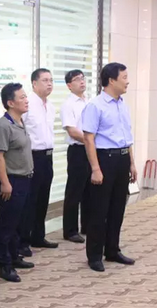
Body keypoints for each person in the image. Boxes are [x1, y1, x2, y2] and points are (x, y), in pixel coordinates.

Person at [81, 62, 137, 273]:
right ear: (111, 80)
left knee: (117, 208)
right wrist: (95, 169)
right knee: (99, 210)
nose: (127, 81)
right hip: (104, 159)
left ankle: (112, 250)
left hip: (122, 159)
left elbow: (127, 137)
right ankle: (94, 255)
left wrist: (132, 163)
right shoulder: (95, 105)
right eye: (124, 77)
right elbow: (89, 138)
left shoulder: (122, 104)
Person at [0, 83, 35, 282]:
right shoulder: (3, 126)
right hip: (11, 181)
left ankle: (14, 256)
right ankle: (4, 265)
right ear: (10, 103)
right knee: (7, 225)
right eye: (22, 97)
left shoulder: (19, 121)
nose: (26, 100)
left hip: (25, 179)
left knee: (18, 222)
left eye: (26, 96)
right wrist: (5, 182)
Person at [18, 68, 59, 257]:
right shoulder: (27, 104)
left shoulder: (50, 106)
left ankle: (38, 236)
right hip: (32, 156)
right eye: (45, 80)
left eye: (51, 80)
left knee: (43, 198)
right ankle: (23, 241)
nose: (49, 84)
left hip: (47, 156)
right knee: (30, 200)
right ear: (34, 83)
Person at [61, 69, 90, 244]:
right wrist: (90, 141)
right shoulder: (68, 104)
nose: (82, 81)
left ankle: (86, 225)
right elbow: (72, 131)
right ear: (69, 85)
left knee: (90, 190)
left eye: (82, 78)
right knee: (74, 190)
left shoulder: (89, 101)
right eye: (77, 79)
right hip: (78, 151)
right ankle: (70, 230)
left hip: (90, 150)